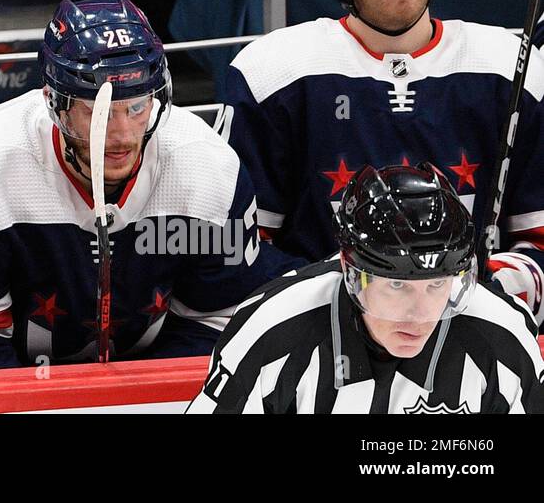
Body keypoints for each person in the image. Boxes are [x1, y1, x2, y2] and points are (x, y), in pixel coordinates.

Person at [221, 0, 544, 321]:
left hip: (472, 337)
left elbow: (538, 240)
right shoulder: (272, 73)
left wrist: (488, 290)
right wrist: (351, 299)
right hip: (321, 342)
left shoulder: (509, 67)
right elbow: (239, 250)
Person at [0, 0, 284, 370]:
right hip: (13, 389)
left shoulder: (209, 171)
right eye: (97, 111)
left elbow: (220, 325)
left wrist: (143, 400)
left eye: (137, 106)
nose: (122, 136)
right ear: (54, 102)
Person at [187, 163, 544, 413]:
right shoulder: (273, 329)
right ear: (350, 271)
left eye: (436, 284)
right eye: (397, 286)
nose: (420, 315)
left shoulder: (503, 336)